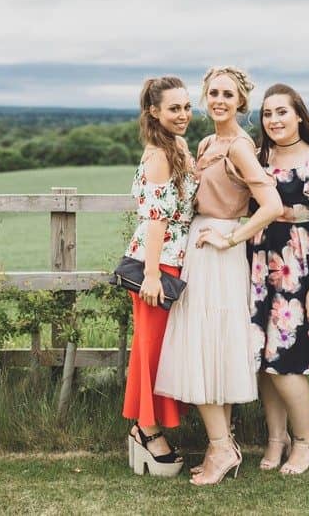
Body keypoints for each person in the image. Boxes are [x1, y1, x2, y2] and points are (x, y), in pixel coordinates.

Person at [155, 66, 284, 486]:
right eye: (212, 93)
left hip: (219, 246)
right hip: (201, 243)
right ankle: (221, 445)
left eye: (228, 94)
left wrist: (232, 240)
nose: (219, 100)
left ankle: (222, 448)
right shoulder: (208, 141)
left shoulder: (241, 147)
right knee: (209, 345)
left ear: (241, 102)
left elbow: (272, 205)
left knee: (206, 342)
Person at [248, 84, 309, 475]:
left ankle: (305, 439)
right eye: (267, 114)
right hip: (256, 267)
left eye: (281, 112)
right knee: (263, 362)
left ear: (299, 115)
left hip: (296, 270)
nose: (274, 120)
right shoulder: (256, 160)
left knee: (286, 363)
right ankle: (276, 437)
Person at [122, 76, 198, 477]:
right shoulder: (158, 155)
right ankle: (147, 430)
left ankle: (146, 428)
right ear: (154, 112)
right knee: (150, 351)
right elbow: (155, 219)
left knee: (158, 349)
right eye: (174, 108)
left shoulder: (178, 146)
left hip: (173, 262)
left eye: (186, 107)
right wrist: (152, 274)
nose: (183, 114)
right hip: (158, 266)